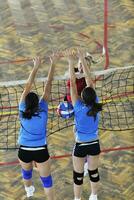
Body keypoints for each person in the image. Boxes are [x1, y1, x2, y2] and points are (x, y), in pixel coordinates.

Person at [18, 54, 59, 200]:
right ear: (38, 103)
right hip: (41, 151)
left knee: (26, 173)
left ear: (26, 102)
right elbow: (48, 84)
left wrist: (35, 66)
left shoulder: (22, 109)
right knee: (47, 182)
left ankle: (29, 191)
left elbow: (28, 86)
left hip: (24, 150)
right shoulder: (43, 111)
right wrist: (53, 64)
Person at [66, 48, 103, 200]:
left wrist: (71, 62)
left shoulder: (78, 107)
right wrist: (82, 60)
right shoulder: (97, 105)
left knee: (78, 176)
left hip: (80, 145)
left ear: (81, 97)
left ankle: (77, 199)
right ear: (93, 96)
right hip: (94, 143)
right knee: (94, 173)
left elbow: (73, 84)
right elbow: (89, 81)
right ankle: (94, 196)